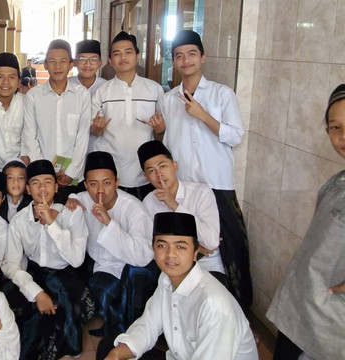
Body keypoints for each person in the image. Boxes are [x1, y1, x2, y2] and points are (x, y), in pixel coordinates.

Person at [161, 30, 252, 306]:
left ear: (203, 57)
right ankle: (190, 312)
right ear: (174, 62)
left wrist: (203, 115)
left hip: (217, 184)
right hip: (185, 187)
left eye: (191, 54)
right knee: (187, 247)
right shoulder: (168, 99)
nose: (185, 60)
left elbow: (235, 135)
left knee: (231, 248)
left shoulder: (222, 94)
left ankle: (240, 314)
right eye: (179, 56)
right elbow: (169, 142)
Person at [98, 212, 258, 360]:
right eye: (162, 246)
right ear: (153, 249)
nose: (170, 254)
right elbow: (148, 326)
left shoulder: (214, 305)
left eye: (180, 247)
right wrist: (117, 355)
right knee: (109, 348)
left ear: (195, 253)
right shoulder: (167, 279)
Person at [266, 84, 345, 360]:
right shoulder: (335, 184)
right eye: (335, 127)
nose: (343, 136)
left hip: (330, 322)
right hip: (301, 305)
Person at [3, 159, 93, 359]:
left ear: (56, 186)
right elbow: (11, 265)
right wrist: (36, 293)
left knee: (62, 312)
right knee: (12, 304)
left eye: (47, 182)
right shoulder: (19, 221)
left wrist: (52, 224)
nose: (42, 188)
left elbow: (76, 260)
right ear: (27, 189)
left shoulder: (72, 212)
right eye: (35, 183)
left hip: (66, 272)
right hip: (35, 273)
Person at [65, 151, 156, 337]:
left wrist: (109, 222)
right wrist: (70, 198)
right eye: (93, 184)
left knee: (127, 293)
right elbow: (71, 198)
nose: (100, 191)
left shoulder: (133, 208)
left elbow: (143, 256)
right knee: (96, 299)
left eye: (107, 183)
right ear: (85, 186)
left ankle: (129, 333)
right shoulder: (82, 200)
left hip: (133, 267)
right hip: (104, 267)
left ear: (117, 182)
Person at [138, 140, 227, 285]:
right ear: (146, 177)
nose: (159, 175)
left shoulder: (201, 192)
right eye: (151, 171)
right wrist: (193, 248)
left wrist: (173, 204)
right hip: (169, 268)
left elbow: (211, 242)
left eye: (163, 166)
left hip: (206, 265)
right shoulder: (149, 202)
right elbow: (149, 244)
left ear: (174, 166)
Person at [91, 31, 165, 201]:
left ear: (137, 56)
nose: (122, 57)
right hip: (112, 171)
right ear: (110, 61)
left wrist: (160, 128)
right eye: (117, 54)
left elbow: (162, 130)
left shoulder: (153, 89)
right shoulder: (102, 92)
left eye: (128, 52)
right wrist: (97, 128)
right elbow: (94, 131)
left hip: (145, 172)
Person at [21, 39, 91, 203]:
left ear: (71, 64)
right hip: (43, 179)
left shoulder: (82, 95)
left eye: (63, 61)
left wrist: (71, 172)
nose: (57, 66)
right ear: (45, 65)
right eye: (52, 61)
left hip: (74, 177)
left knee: (73, 219)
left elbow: (83, 137)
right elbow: (29, 135)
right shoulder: (34, 96)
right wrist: (45, 172)